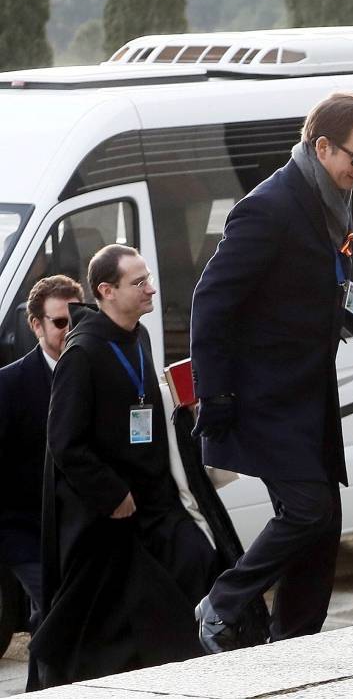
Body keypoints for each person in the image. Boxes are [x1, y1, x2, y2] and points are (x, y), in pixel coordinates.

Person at [191, 92, 353, 650]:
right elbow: (211, 302)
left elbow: (337, 291)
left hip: (308, 395)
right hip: (262, 397)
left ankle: (298, 644)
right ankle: (223, 601)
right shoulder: (270, 206)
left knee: (324, 526)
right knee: (307, 511)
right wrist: (216, 396)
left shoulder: (331, 204)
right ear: (322, 146)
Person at [28, 247, 218, 688]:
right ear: (106, 292)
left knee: (200, 563)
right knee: (102, 633)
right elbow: (64, 442)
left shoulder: (140, 336)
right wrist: (111, 494)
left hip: (156, 504)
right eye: (139, 282)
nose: (151, 288)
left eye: (148, 278)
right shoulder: (82, 354)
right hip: (109, 517)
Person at [0, 276, 82, 630]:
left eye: (78, 319)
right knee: (58, 613)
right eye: (60, 321)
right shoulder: (9, 385)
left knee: (51, 620)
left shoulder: (91, 371)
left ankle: (43, 684)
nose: (70, 329)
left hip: (78, 528)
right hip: (25, 531)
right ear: (36, 325)